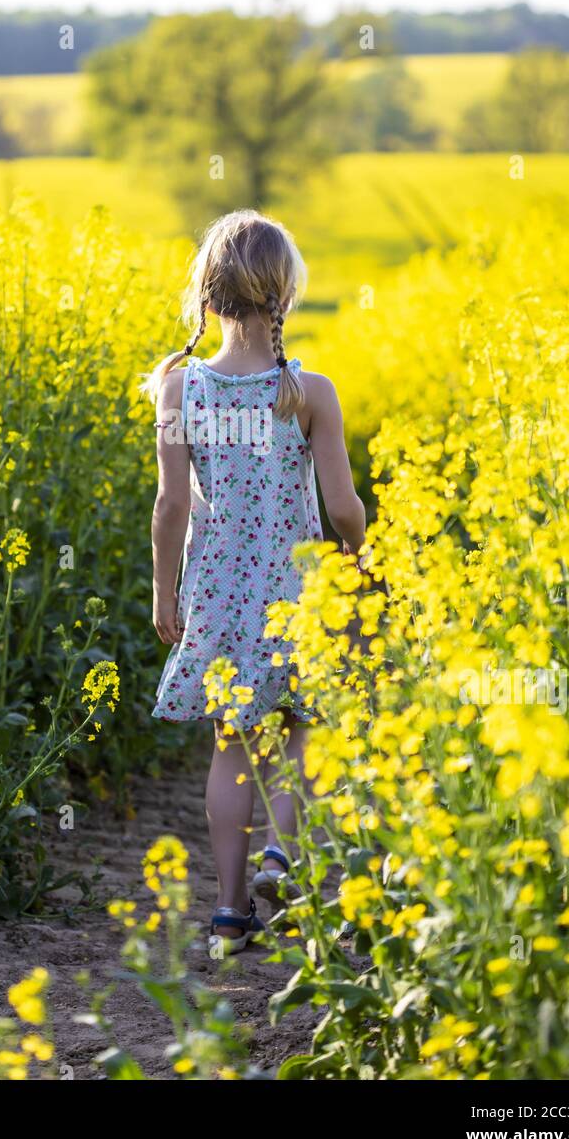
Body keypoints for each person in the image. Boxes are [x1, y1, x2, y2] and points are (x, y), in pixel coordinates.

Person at [145, 210, 367, 957]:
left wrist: (163, 595)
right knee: (301, 725)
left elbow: (172, 505)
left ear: (208, 297)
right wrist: (357, 552)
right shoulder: (309, 393)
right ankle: (284, 856)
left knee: (232, 744)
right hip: (293, 591)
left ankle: (231, 915)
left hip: (214, 591)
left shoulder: (179, 391)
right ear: (285, 298)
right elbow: (342, 508)